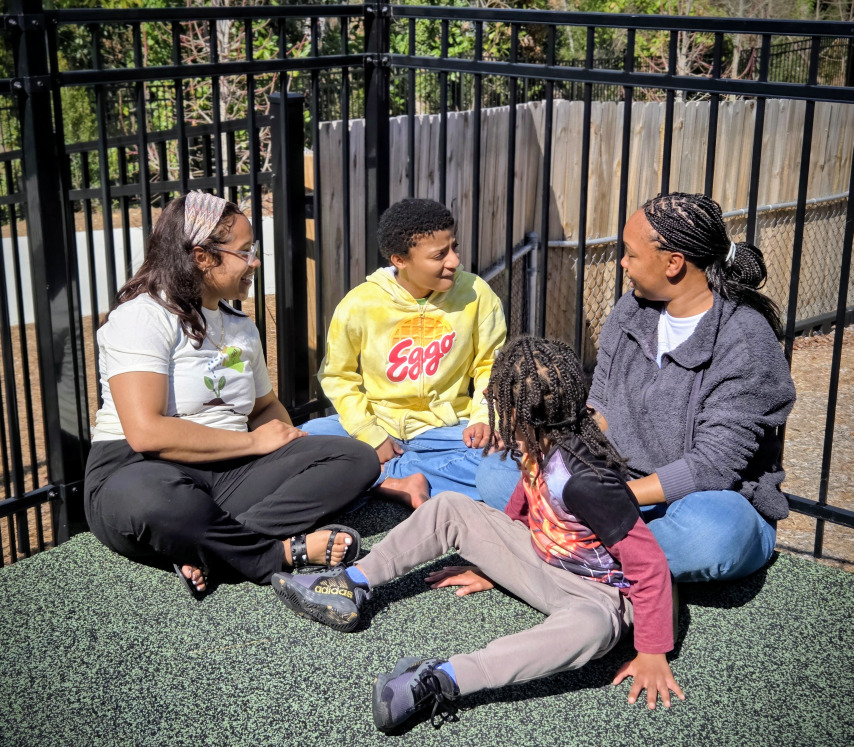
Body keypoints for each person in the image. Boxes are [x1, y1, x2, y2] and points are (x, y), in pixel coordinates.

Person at [273, 337, 682, 732]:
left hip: (598, 595)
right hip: (547, 561)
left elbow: (648, 565)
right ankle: (350, 583)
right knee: (452, 506)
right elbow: (526, 502)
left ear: (520, 412)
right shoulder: (538, 443)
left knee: (592, 631)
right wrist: (493, 562)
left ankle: (440, 679)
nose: (496, 411)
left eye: (500, 402)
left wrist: (652, 650)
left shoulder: (586, 480)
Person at [476, 192, 796, 584]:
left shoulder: (744, 341)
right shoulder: (631, 310)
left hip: (699, 500)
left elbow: (712, 467)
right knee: (495, 472)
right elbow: (600, 412)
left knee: (711, 534)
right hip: (616, 483)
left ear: (674, 263)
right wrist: (550, 452)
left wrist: (598, 498)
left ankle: (572, 550)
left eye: (630, 254)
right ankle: (607, 555)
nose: (623, 264)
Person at [84, 192, 380, 597]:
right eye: (245, 251)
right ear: (203, 256)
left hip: (230, 471)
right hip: (140, 468)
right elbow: (145, 433)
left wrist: (285, 446)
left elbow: (263, 407)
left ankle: (210, 551)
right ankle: (278, 555)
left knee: (355, 457)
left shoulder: (239, 326)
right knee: (159, 502)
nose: (254, 262)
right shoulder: (143, 315)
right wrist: (254, 441)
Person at [301, 198, 507, 507]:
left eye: (454, 247)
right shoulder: (360, 303)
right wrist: (370, 434)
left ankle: (388, 476)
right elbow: (336, 376)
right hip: (377, 424)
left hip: (448, 431)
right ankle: (399, 476)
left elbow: (491, 364)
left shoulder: (477, 293)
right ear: (400, 260)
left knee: (509, 462)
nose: (454, 260)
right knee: (302, 443)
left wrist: (483, 417)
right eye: (440, 254)